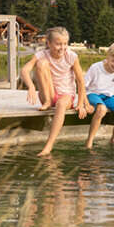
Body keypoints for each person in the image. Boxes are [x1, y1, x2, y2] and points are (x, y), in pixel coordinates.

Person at [21, 27, 88, 156]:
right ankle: (47, 101)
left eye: (65, 44)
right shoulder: (42, 54)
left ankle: (48, 146)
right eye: (58, 44)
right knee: (41, 63)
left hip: (66, 95)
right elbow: (25, 70)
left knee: (61, 104)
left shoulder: (71, 56)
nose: (62, 47)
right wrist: (30, 87)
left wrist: (80, 103)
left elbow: (80, 81)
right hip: (49, 94)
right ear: (49, 43)